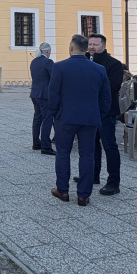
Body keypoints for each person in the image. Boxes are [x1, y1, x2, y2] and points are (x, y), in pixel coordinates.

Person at [48, 35, 109, 206]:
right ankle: (83, 195)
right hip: (89, 118)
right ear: (85, 49)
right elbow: (105, 97)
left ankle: (63, 190)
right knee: (87, 155)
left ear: (72, 47)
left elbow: (53, 94)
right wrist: (99, 114)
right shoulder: (99, 69)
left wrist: (54, 113)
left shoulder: (60, 67)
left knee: (63, 153)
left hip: (65, 117)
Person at [88, 33, 124, 195]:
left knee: (109, 145)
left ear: (103, 46)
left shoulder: (114, 64)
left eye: (95, 44)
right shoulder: (85, 60)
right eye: (90, 44)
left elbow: (113, 86)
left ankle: (113, 182)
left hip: (106, 111)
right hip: (89, 110)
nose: (92, 47)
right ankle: (93, 175)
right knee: (91, 144)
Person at [29, 42, 55, 155]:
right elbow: (54, 78)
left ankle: (36, 142)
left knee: (37, 118)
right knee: (47, 119)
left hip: (34, 93)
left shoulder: (34, 61)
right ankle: (46, 146)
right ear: (48, 51)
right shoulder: (48, 62)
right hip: (45, 95)